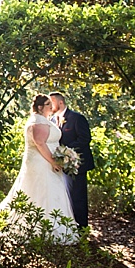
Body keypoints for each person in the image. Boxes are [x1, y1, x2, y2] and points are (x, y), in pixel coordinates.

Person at [0, 94, 78, 244]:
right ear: (40, 107)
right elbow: (40, 143)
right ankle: (40, 230)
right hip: (41, 163)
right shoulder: (37, 121)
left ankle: (51, 228)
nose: (51, 106)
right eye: (47, 104)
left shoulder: (43, 120)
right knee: (40, 192)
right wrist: (53, 161)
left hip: (46, 162)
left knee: (49, 192)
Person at [51, 91, 96, 230]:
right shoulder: (52, 120)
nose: (49, 106)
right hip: (60, 164)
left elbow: (85, 139)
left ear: (60, 102)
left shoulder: (77, 118)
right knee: (65, 196)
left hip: (77, 164)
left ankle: (82, 228)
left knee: (78, 197)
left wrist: (66, 151)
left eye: (51, 102)